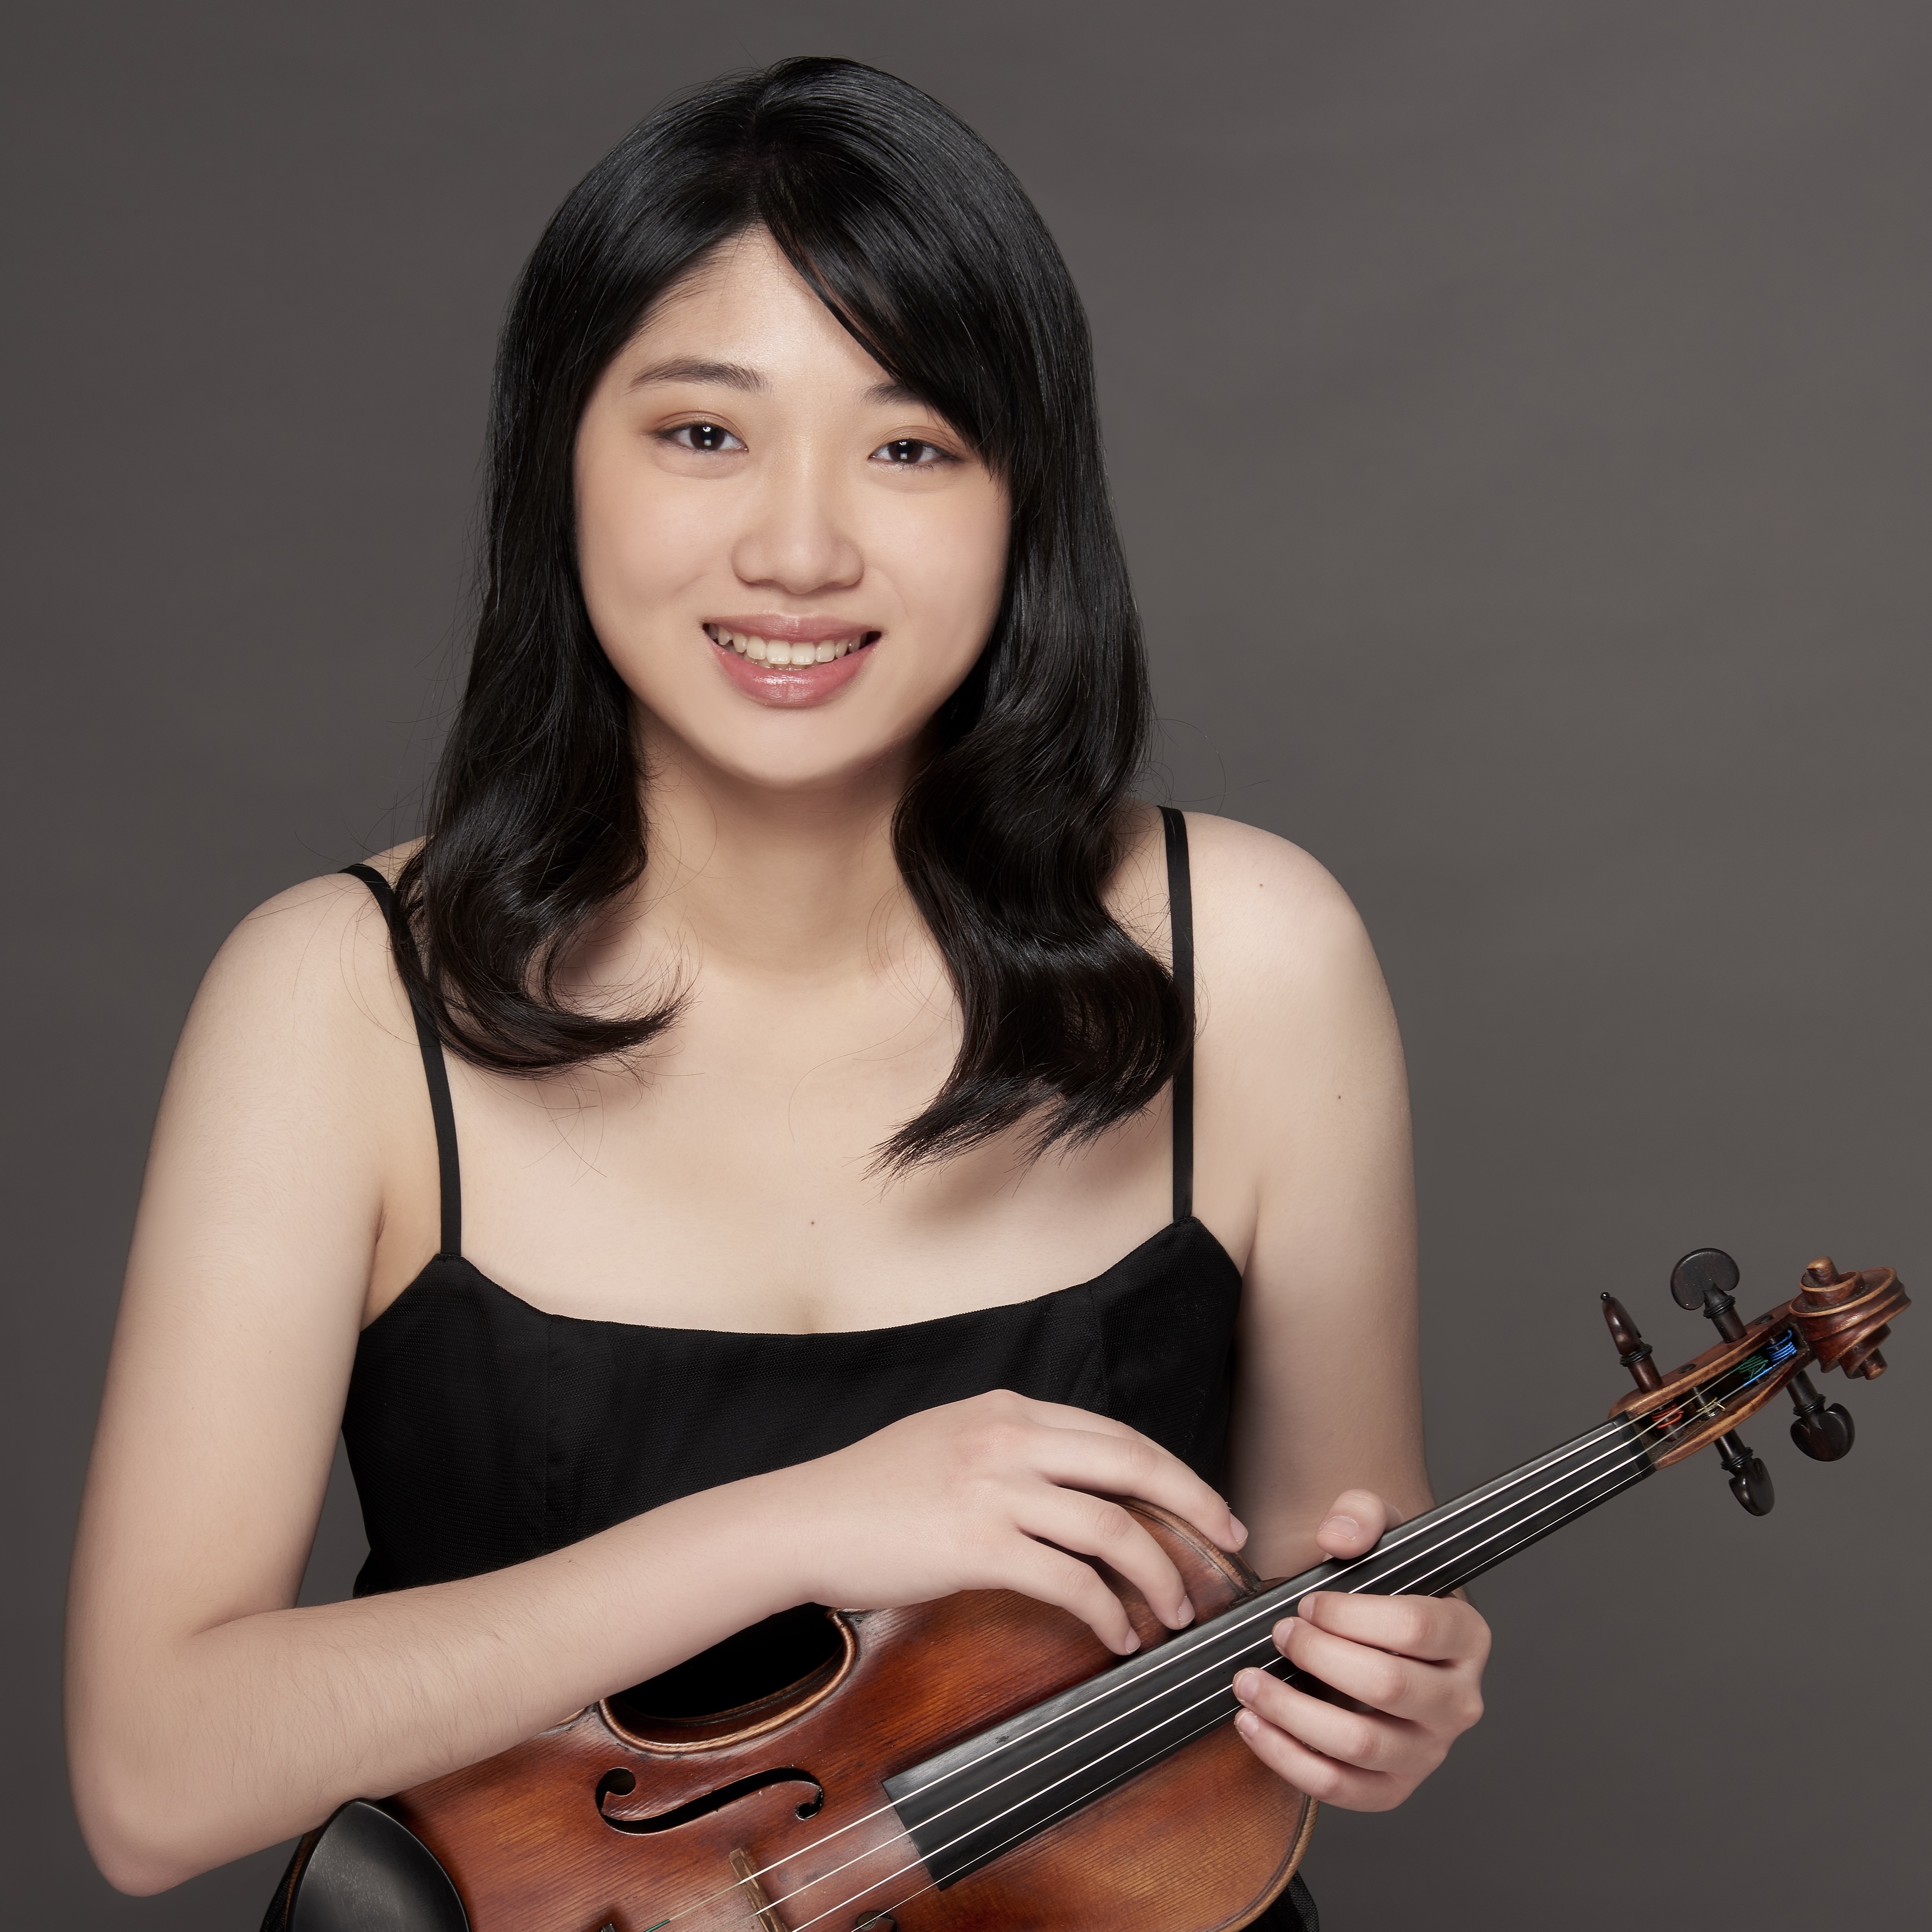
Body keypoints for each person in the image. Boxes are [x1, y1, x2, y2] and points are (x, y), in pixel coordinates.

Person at [65, 57, 1489, 1930]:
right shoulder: (337, 996)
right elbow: (153, 1778)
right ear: (560, 462)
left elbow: (1313, 1603)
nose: (800, 548)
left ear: (1024, 497)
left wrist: (1383, 1694)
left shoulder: (1255, 954)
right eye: (701, 432)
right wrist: (802, 1522)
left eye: (910, 447)